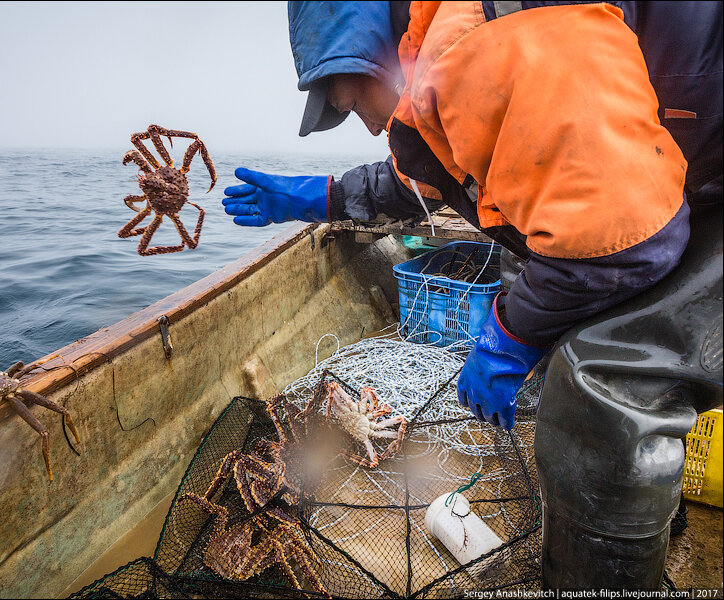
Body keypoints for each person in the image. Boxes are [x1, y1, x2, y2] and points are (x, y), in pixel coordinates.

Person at [223, 1, 722, 589]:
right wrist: (326, 197)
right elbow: (442, 168)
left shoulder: (473, 43)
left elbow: (628, 243)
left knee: (596, 387)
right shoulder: (443, 43)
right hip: (670, 177)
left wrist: (509, 337)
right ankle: (649, 514)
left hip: (690, 193)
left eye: (350, 100)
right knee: (540, 281)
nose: (361, 123)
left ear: (369, 49)